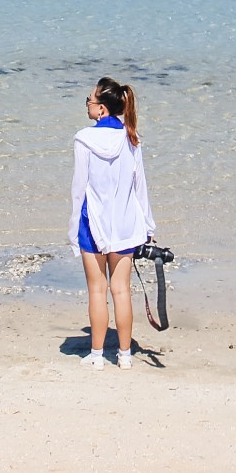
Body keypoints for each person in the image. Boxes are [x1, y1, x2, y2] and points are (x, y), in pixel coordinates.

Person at [68, 75, 154, 368]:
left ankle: (95, 355)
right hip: (126, 223)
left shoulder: (84, 138)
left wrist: (71, 228)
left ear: (102, 108)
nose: (87, 105)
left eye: (89, 100)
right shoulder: (131, 137)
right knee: (121, 290)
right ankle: (126, 355)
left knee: (97, 290)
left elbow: (79, 187)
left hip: (92, 222)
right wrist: (149, 225)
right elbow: (140, 185)